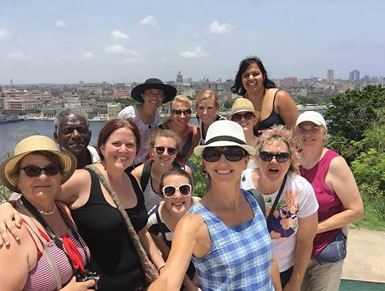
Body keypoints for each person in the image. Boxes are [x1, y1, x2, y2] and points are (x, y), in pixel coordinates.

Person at [0, 119, 165, 290]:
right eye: (31, 171)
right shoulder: (83, 180)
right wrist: (6, 207)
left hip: (139, 282)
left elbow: (142, 231)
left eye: (129, 145)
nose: (43, 177)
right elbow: (37, 197)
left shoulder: (132, 181)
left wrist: (161, 267)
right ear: (101, 147)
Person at [149, 120, 275, 290]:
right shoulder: (194, 223)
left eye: (233, 153)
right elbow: (168, 281)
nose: (222, 161)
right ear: (205, 163)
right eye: (213, 154)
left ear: (245, 161)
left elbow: (268, 262)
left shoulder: (255, 200)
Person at [0, 135, 96, 290]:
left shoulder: (63, 210)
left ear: (60, 175)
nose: (43, 177)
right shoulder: (13, 232)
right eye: (32, 171)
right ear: (17, 179)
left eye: (51, 169)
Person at [241, 125, 319, 289]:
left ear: (290, 159)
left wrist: (295, 282)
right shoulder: (241, 183)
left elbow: (305, 242)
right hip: (245, 272)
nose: (274, 161)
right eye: (266, 156)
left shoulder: (301, 189)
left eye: (282, 156)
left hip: (284, 273)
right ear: (258, 158)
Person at [295, 111, 364, 291]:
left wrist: (314, 228)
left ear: (324, 133)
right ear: (296, 134)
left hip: (324, 250)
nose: (308, 134)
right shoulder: (290, 161)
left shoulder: (335, 164)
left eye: (314, 129)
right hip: (295, 250)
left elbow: (356, 210)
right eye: (302, 129)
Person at [147, 168, 200, 290]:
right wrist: (189, 286)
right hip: (178, 274)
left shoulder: (205, 214)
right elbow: (171, 258)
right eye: (170, 191)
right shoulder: (154, 221)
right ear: (161, 196)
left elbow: (210, 255)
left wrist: (195, 285)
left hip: (207, 270)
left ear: (191, 192)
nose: (178, 196)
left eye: (184, 189)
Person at [118, 78, 177, 166]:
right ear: (143, 96)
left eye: (158, 94)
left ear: (163, 97)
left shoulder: (156, 116)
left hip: (142, 163)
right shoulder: (129, 114)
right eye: (150, 93)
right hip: (124, 162)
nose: (154, 97)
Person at [131, 129, 193, 211]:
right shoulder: (139, 174)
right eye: (160, 149)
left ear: (176, 153)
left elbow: (189, 202)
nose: (165, 154)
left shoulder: (185, 172)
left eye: (171, 150)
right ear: (152, 150)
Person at [231, 56, 298, 132]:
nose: (251, 78)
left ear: (263, 76)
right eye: (246, 75)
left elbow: (295, 132)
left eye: (255, 74)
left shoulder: (280, 97)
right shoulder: (241, 104)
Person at [158, 95, 200, 165]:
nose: (182, 116)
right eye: (178, 112)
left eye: (187, 111)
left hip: (180, 168)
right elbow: (153, 158)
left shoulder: (195, 133)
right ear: (171, 114)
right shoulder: (159, 132)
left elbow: (185, 159)